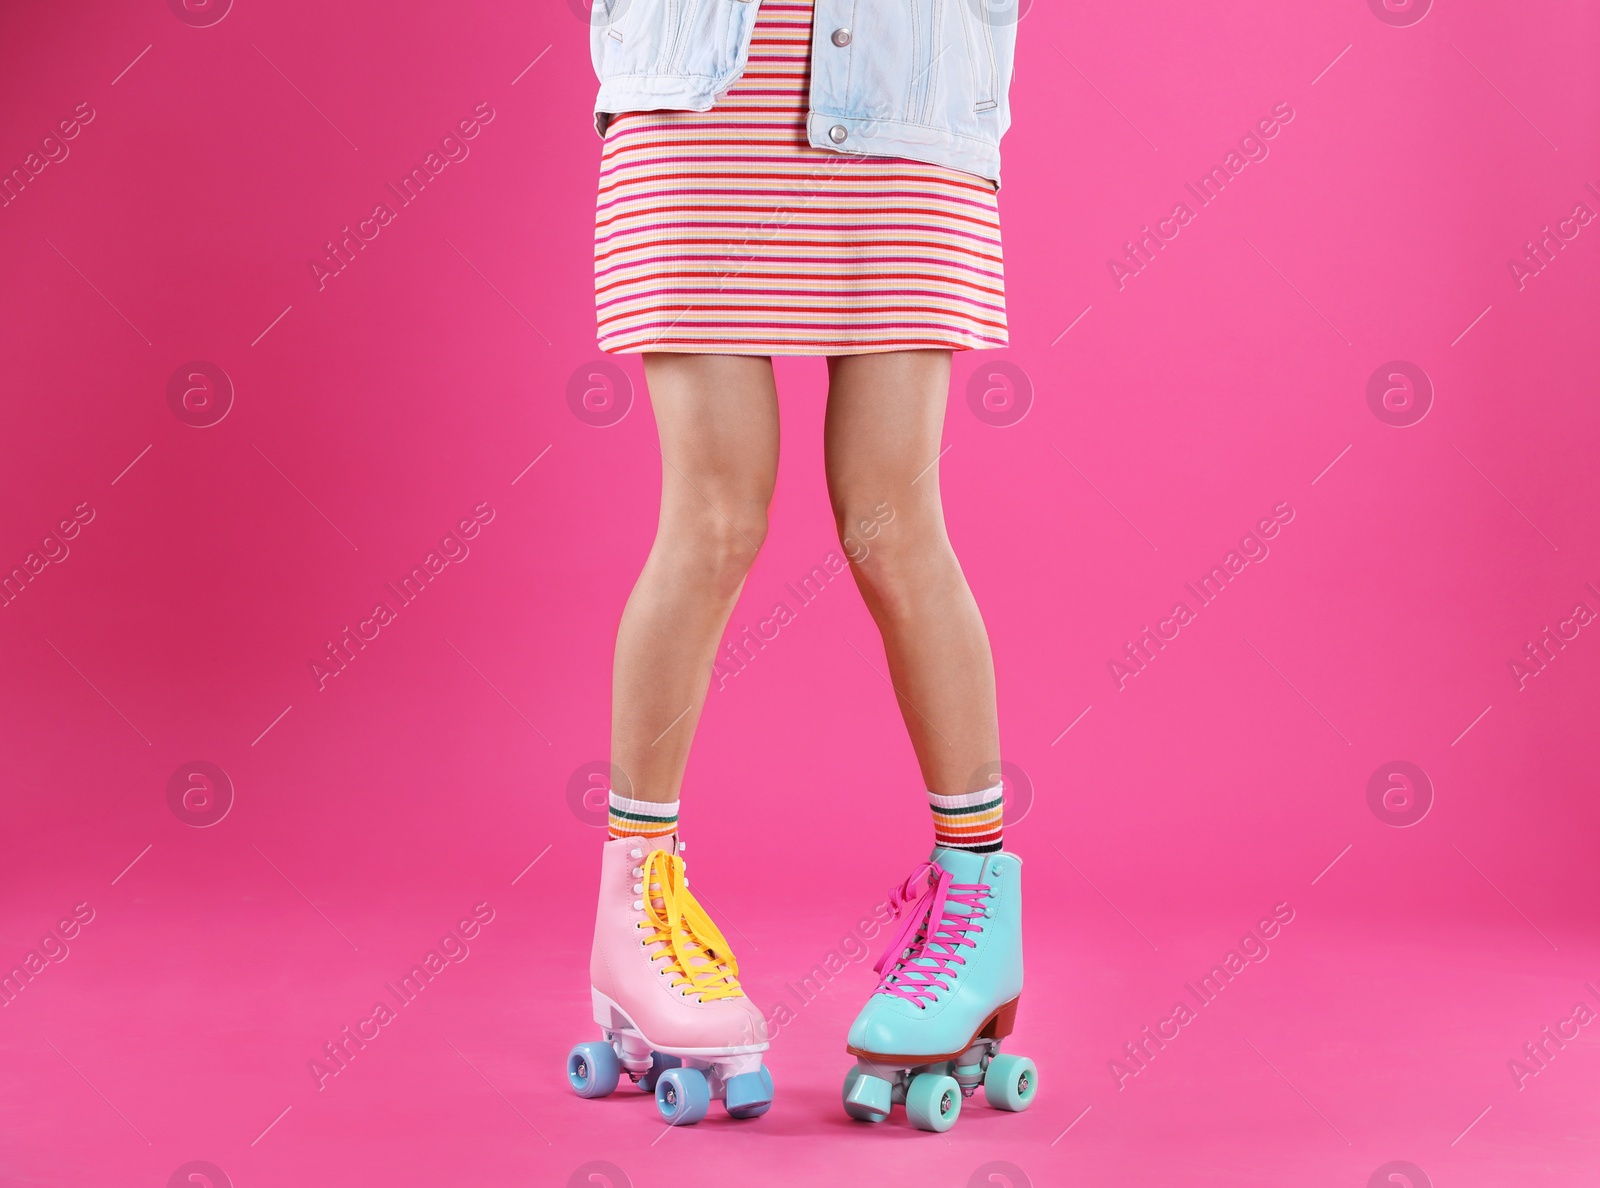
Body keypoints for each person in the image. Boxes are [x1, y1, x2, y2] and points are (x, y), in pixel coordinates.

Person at [564, 0, 1035, 1131]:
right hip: (698, 99)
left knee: (893, 527)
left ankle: (976, 914)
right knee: (713, 520)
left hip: (910, 102)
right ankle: (636, 907)